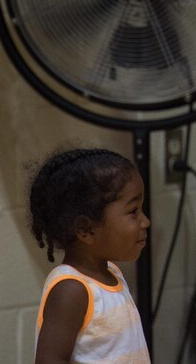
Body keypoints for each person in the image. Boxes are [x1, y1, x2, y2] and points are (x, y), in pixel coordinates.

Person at [29, 148, 151, 364]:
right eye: (133, 211)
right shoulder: (71, 290)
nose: (145, 222)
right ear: (86, 230)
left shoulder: (112, 272)